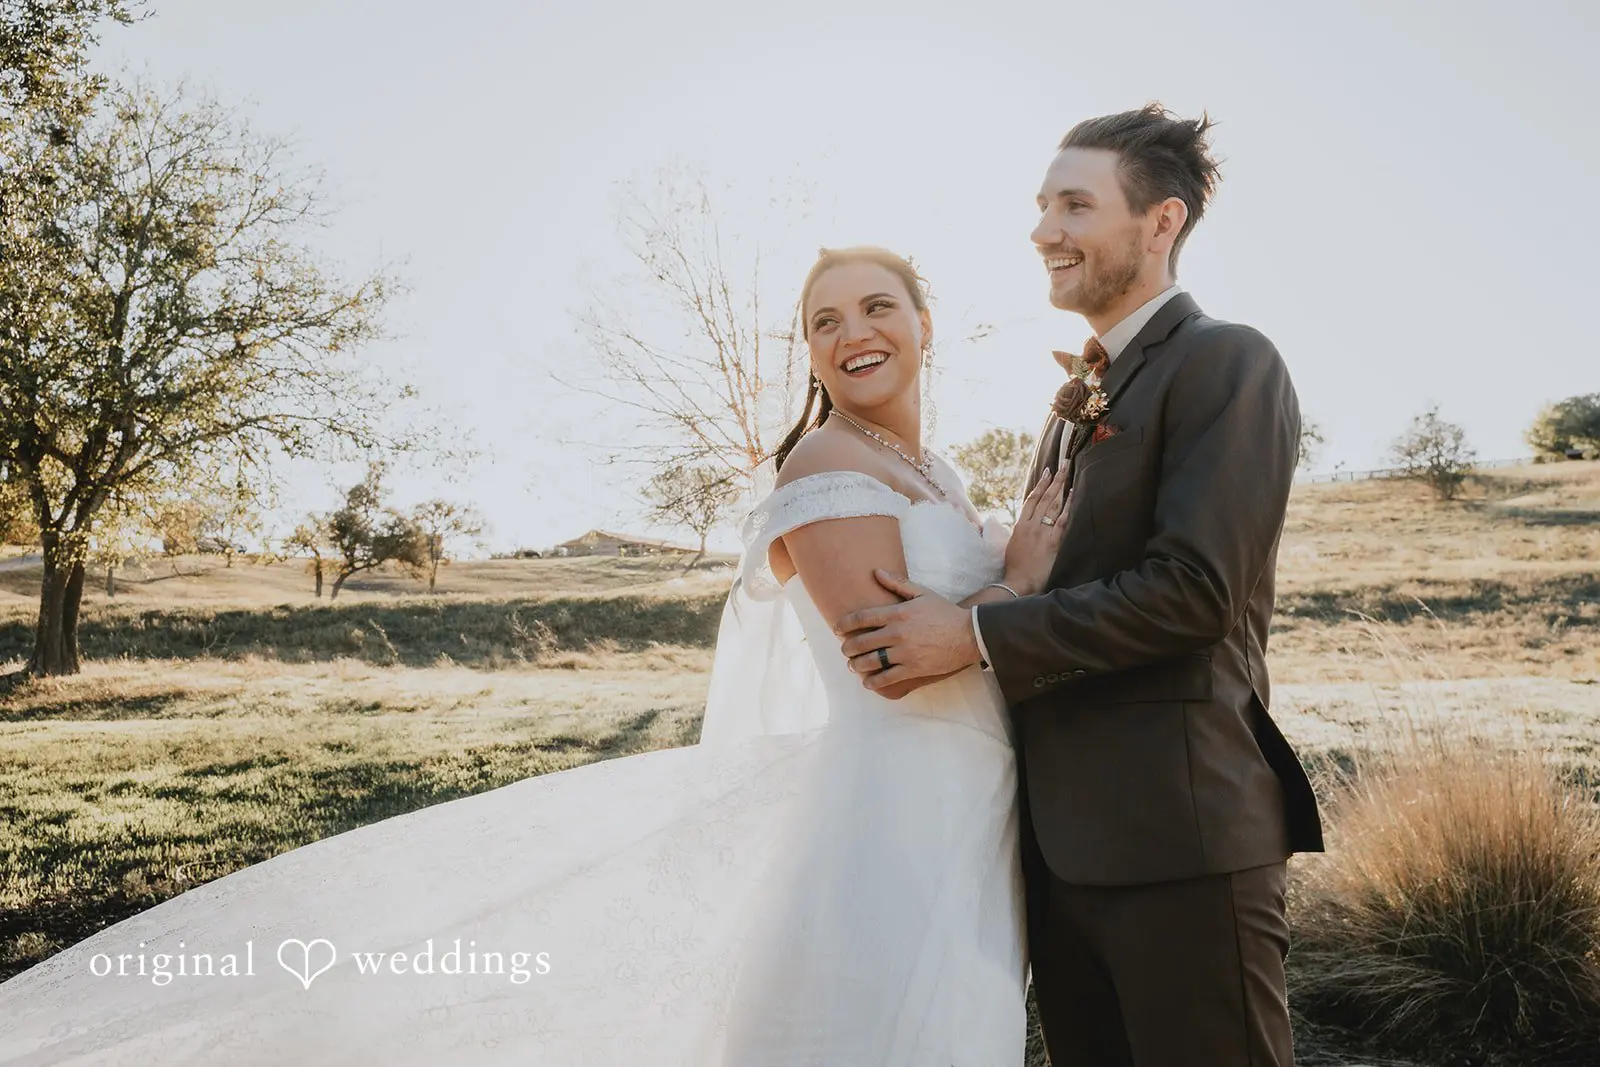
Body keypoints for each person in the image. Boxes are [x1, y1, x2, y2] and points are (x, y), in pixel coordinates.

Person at [0, 246, 1067, 1066]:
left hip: (965, 798)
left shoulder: (934, 471)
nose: (853, 333)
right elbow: (890, 656)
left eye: (877, 307)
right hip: (890, 813)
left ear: (925, 324)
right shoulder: (826, 457)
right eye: (824, 321)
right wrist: (1020, 577)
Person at [835, 105, 1326, 1066]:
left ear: (1161, 222)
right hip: (1058, 854)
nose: (1042, 230)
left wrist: (973, 636)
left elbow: (1194, 592)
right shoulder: (1072, 405)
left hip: (1179, 839)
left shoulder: (1226, 361)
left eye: (1074, 205)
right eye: (1041, 205)